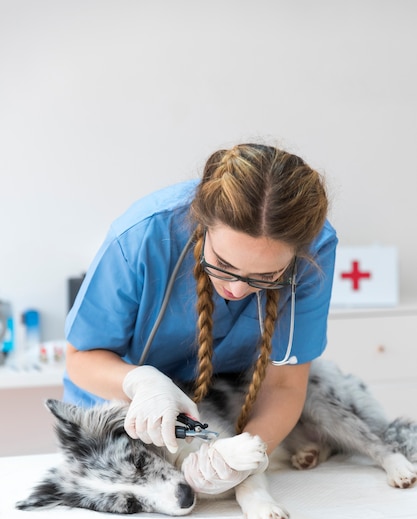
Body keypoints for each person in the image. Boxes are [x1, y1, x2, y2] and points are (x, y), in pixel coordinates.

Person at [64, 143, 337, 494]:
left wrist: (248, 453)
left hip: (224, 411)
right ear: (201, 224)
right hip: (116, 421)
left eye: (266, 277)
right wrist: (139, 383)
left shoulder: (316, 248)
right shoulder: (141, 237)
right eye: (223, 265)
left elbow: (285, 383)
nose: (237, 290)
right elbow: (80, 358)